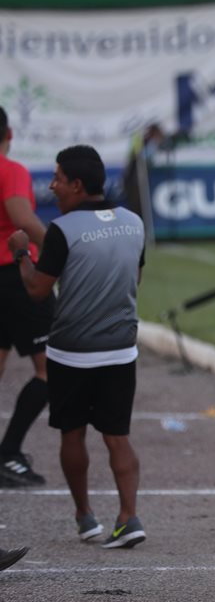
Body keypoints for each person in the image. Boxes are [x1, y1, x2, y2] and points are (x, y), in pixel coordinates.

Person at [6, 145, 147, 545]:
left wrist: (21, 253)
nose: (53, 186)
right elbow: (134, 281)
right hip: (122, 348)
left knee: (72, 434)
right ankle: (129, 517)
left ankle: (86, 517)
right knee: (117, 436)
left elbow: (36, 290)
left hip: (71, 351)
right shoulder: (133, 223)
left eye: (58, 179)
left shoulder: (63, 231)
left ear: (78, 185)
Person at [0, 106, 54, 488]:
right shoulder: (11, 169)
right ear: (10, 133)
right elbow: (21, 216)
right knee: (49, 371)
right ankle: (8, 453)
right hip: (15, 277)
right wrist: (60, 251)